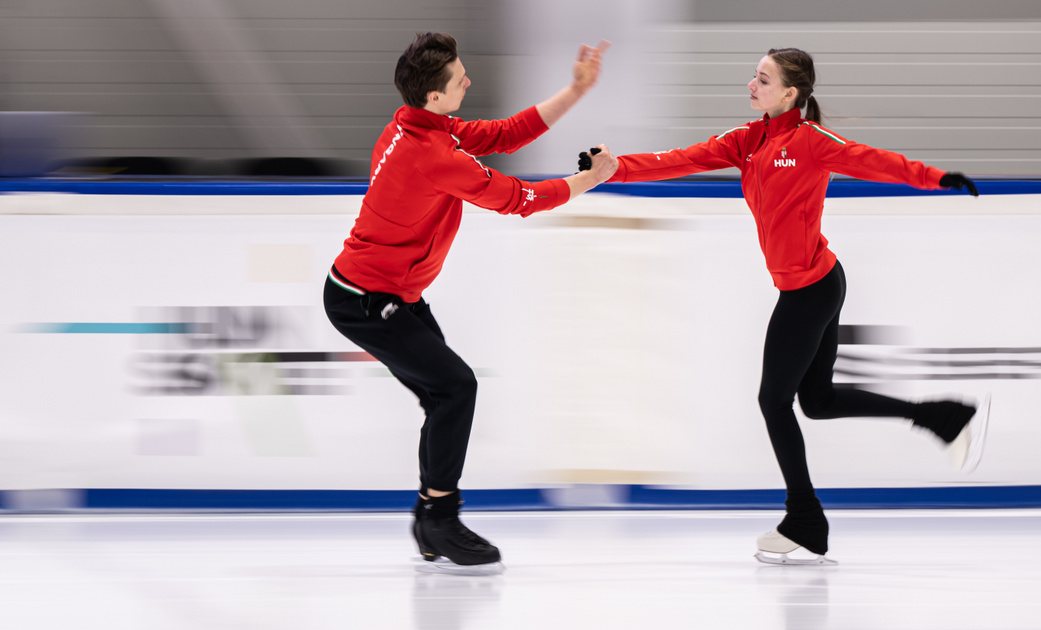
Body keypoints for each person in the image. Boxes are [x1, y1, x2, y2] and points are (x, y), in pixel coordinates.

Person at [580, 48, 988, 566]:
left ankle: (804, 518)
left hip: (813, 289)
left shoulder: (812, 142)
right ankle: (939, 416)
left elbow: (871, 160)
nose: (751, 84)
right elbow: (681, 159)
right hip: (807, 286)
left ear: (790, 93)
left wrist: (935, 178)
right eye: (754, 75)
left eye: (763, 78)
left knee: (774, 402)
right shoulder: (746, 140)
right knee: (814, 401)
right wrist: (614, 169)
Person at [324, 32, 618, 575]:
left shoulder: (418, 124)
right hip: (364, 301)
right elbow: (519, 199)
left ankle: (430, 515)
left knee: (446, 394)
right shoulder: (431, 154)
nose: (468, 80)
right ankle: (440, 516)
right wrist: (590, 179)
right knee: (456, 388)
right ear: (434, 95)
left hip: (391, 294)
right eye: (460, 76)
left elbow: (505, 133)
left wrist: (575, 91)